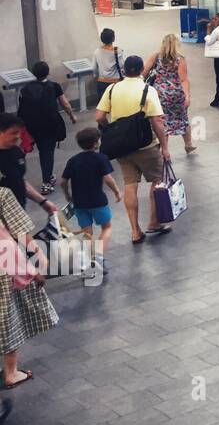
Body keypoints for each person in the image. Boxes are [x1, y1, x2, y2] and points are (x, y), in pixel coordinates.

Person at [94, 56, 171, 243]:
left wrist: (111, 128)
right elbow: (157, 121)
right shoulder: (147, 90)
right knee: (156, 181)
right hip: (146, 145)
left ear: (125, 69)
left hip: (122, 148)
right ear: (141, 69)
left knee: (130, 185)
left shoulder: (112, 89)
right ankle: (154, 222)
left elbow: (99, 116)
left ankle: (135, 231)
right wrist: (165, 148)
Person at [0, 185, 58, 391]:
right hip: (4, 271)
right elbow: (20, 234)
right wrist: (38, 263)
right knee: (8, 322)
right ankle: (11, 373)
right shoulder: (3, 194)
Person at [60, 128, 121, 278]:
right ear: (96, 143)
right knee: (107, 227)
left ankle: (89, 263)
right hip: (98, 200)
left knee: (87, 233)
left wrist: (68, 195)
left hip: (79, 203)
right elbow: (108, 179)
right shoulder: (101, 158)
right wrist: (117, 191)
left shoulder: (73, 160)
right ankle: (98, 257)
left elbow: (63, 181)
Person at [17, 61, 76, 195]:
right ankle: (46, 183)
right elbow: (65, 104)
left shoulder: (25, 88)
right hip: (49, 126)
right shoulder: (54, 86)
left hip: (30, 126)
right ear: (48, 72)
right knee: (46, 154)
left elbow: (22, 107)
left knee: (23, 153)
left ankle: (20, 181)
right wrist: (72, 116)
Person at [0, 114, 60, 221]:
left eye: (19, 132)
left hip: (18, 210)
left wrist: (43, 202)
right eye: (13, 133)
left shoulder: (16, 152)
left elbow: (19, 180)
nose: (18, 136)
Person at [144, 34, 196, 156]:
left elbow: (144, 72)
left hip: (159, 94)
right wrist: (187, 96)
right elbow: (183, 79)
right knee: (183, 118)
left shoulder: (156, 57)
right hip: (176, 94)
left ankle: (164, 148)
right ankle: (188, 144)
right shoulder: (180, 59)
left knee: (162, 121)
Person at [92, 28, 124, 108]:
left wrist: (96, 76)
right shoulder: (117, 51)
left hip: (101, 82)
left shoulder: (97, 51)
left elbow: (94, 68)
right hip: (115, 82)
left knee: (103, 106)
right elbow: (121, 65)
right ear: (113, 38)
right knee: (117, 106)